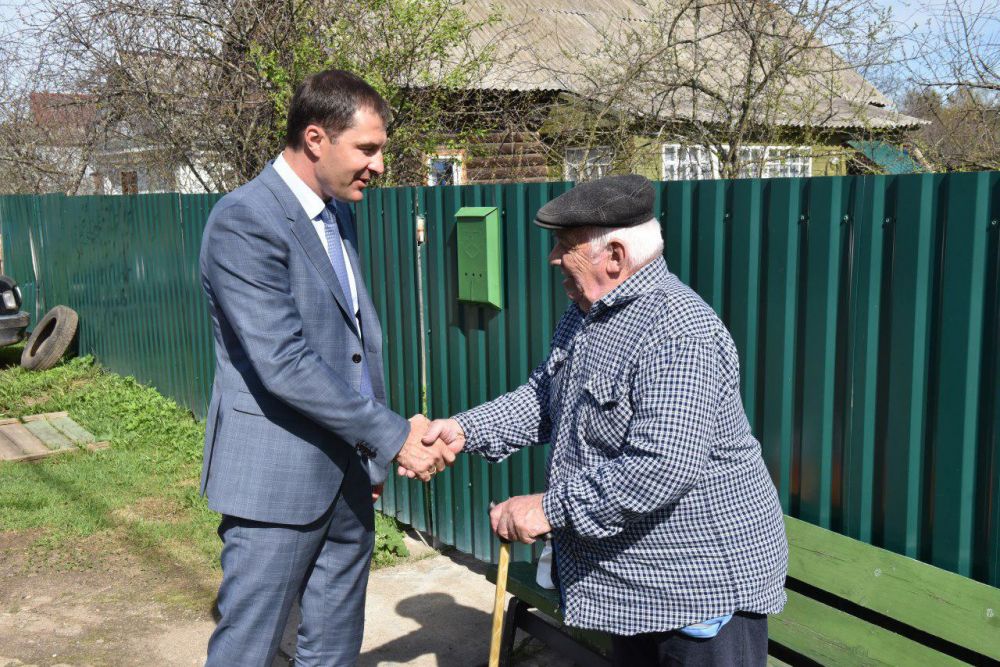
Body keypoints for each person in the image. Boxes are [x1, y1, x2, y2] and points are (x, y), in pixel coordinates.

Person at [419, 174, 788, 666]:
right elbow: (545, 397)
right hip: (633, 586)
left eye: (565, 245)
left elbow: (662, 467)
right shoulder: (585, 313)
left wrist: (548, 510)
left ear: (614, 256)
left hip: (698, 592)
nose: (553, 258)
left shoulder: (679, 330)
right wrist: (464, 430)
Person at [199, 69, 452, 666]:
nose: (379, 165)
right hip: (277, 479)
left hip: (347, 471)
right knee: (249, 648)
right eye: (367, 149)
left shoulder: (337, 212)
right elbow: (284, 361)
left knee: (334, 645)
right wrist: (393, 435)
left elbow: (354, 341)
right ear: (316, 138)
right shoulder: (244, 219)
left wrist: (372, 449)